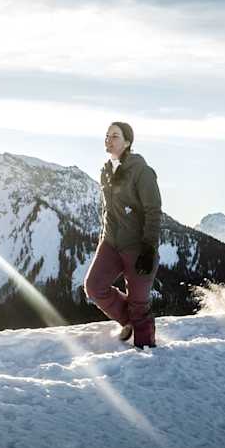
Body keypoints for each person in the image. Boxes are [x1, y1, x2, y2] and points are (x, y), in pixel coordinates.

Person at [84, 121, 162, 348]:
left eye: (115, 136)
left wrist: (148, 248)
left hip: (137, 245)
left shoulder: (142, 171)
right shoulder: (106, 171)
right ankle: (129, 321)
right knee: (94, 286)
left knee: (139, 304)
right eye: (107, 135)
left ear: (128, 142)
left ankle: (146, 352)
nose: (109, 139)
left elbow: (153, 210)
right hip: (110, 242)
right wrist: (103, 238)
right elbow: (107, 210)